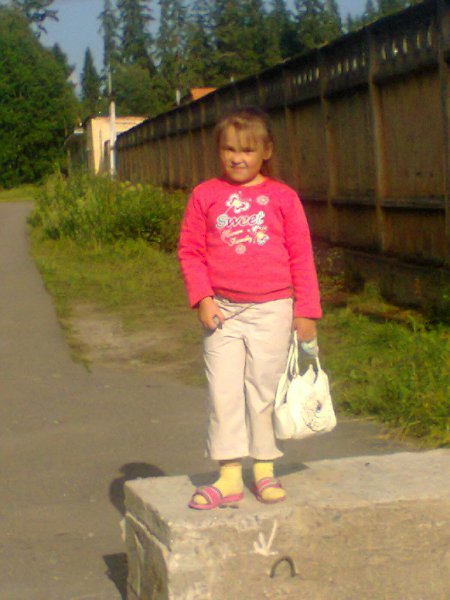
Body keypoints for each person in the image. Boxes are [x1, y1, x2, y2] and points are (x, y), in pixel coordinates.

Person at [178, 106, 322, 509]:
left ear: (266, 151)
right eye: (229, 149)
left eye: (246, 150)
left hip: (272, 310)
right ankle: (228, 477)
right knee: (223, 392)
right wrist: (202, 298)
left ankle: (263, 470)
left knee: (262, 391)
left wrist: (306, 311)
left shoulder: (283, 197)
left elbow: (301, 255)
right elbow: (190, 251)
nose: (237, 158)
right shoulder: (205, 195)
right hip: (222, 312)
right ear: (218, 151)